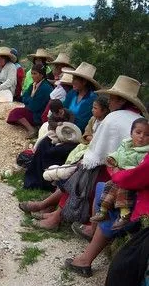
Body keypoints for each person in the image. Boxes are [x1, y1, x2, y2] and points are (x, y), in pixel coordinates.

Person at [20, 75, 146, 230]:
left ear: (121, 101)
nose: (110, 101)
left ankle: (55, 215)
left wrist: (85, 160)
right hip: (119, 169)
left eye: (112, 98)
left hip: (115, 172)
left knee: (81, 174)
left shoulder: (114, 117)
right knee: (78, 169)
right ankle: (48, 207)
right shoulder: (138, 118)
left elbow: (97, 153)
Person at [65, 152, 149, 281]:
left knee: (112, 200)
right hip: (140, 191)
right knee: (104, 188)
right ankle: (93, 236)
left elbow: (136, 176)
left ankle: (86, 257)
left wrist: (117, 172)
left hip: (143, 207)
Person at [22, 62, 100, 191]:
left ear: (84, 82)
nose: (73, 81)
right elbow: (61, 111)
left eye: (75, 79)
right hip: (62, 130)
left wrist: (67, 124)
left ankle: (50, 183)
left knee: (54, 151)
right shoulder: (72, 95)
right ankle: (35, 180)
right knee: (43, 144)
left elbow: (83, 121)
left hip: (77, 135)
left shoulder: (92, 99)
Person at [90, 118, 149, 229]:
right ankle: (103, 210)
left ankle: (124, 214)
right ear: (131, 133)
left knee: (122, 190)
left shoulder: (145, 152)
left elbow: (139, 169)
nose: (141, 137)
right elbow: (118, 153)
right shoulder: (126, 144)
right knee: (108, 185)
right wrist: (112, 158)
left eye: (147, 135)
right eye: (138, 132)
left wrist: (123, 171)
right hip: (121, 175)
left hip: (130, 178)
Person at [7, 65, 53, 138]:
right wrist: (30, 99)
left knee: (15, 113)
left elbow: (33, 106)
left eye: (35, 74)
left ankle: (32, 129)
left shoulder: (45, 88)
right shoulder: (33, 85)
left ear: (41, 75)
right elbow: (24, 97)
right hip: (32, 109)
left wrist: (29, 99)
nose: (32, 76)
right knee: (13, 115)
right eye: (32, 73)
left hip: (39, 114)